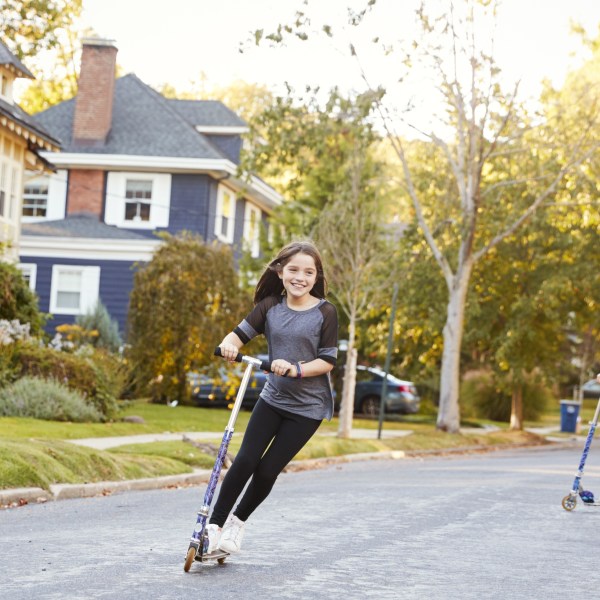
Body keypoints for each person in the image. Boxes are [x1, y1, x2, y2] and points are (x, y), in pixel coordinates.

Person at [206, 240, 338, 555]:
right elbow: (237, 334)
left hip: (308, 408)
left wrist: (296, 369)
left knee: (267, 470)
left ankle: (237, 525)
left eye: (308, 272)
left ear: (316, 276)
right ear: (280, 271)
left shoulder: (325, 312)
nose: (300, 277)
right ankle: (213, 528)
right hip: (274, 398)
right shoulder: (269, 307)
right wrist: (230, 345)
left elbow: (327, 361)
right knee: (246, 461)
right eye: (293, 269)